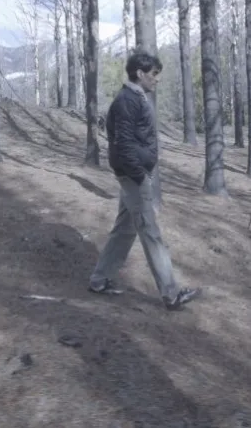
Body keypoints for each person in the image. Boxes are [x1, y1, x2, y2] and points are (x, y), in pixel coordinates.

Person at [88, 50, 200, 311]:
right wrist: (140, 176)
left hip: (133, 175)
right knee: (151, 233)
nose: (156, 79)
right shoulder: (127, 100)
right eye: (154, 74)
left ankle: (99, 280)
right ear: (140, 73)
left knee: (124, 230)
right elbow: (123, 144)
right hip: (134, 177)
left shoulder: (134, 98)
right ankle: (171, 294)